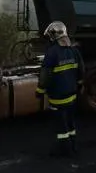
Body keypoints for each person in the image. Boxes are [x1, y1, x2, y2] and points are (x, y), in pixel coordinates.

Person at [36, 20, 85, 156]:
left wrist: (39, 91)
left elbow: (45, 75)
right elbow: (81, 70)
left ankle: (64, 150)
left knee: (61, 126)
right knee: (70, 123)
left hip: (58, 97)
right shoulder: (74, 50)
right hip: (72, 96)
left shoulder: (52, 53)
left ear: (54, 36)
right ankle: (73, 146)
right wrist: (80, 84)